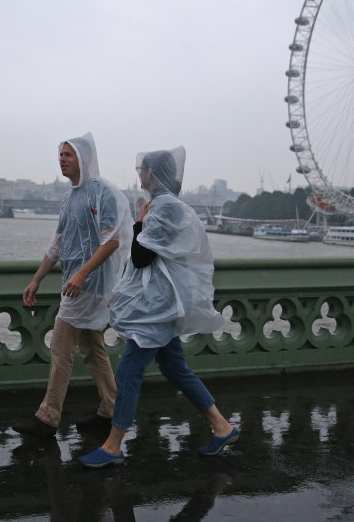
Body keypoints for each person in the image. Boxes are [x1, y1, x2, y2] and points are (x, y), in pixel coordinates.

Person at [78, 147, 237, 468]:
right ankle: (222, 426)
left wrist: (138, 224)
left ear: (153, 173)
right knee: (175, 367)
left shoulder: (163, 208)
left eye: (142, 168)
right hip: (163, 304)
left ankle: (113, 445)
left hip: (157, 308)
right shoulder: (165, 205)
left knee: (129, 370)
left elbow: (141, 257)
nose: (139, 173)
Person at [13, 133, 133, 437]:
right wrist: (37, 279)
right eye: (61, 155)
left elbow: (113, 240)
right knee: (93, 349)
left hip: (89, 284)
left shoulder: (102, 192)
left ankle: (48, 416)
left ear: (83, 158)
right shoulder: (71, 197)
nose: (62, 159)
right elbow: (59, 243)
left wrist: (81, 274)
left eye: (68, 154)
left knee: (61, 346)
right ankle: (112, 408)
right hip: (77, 282)